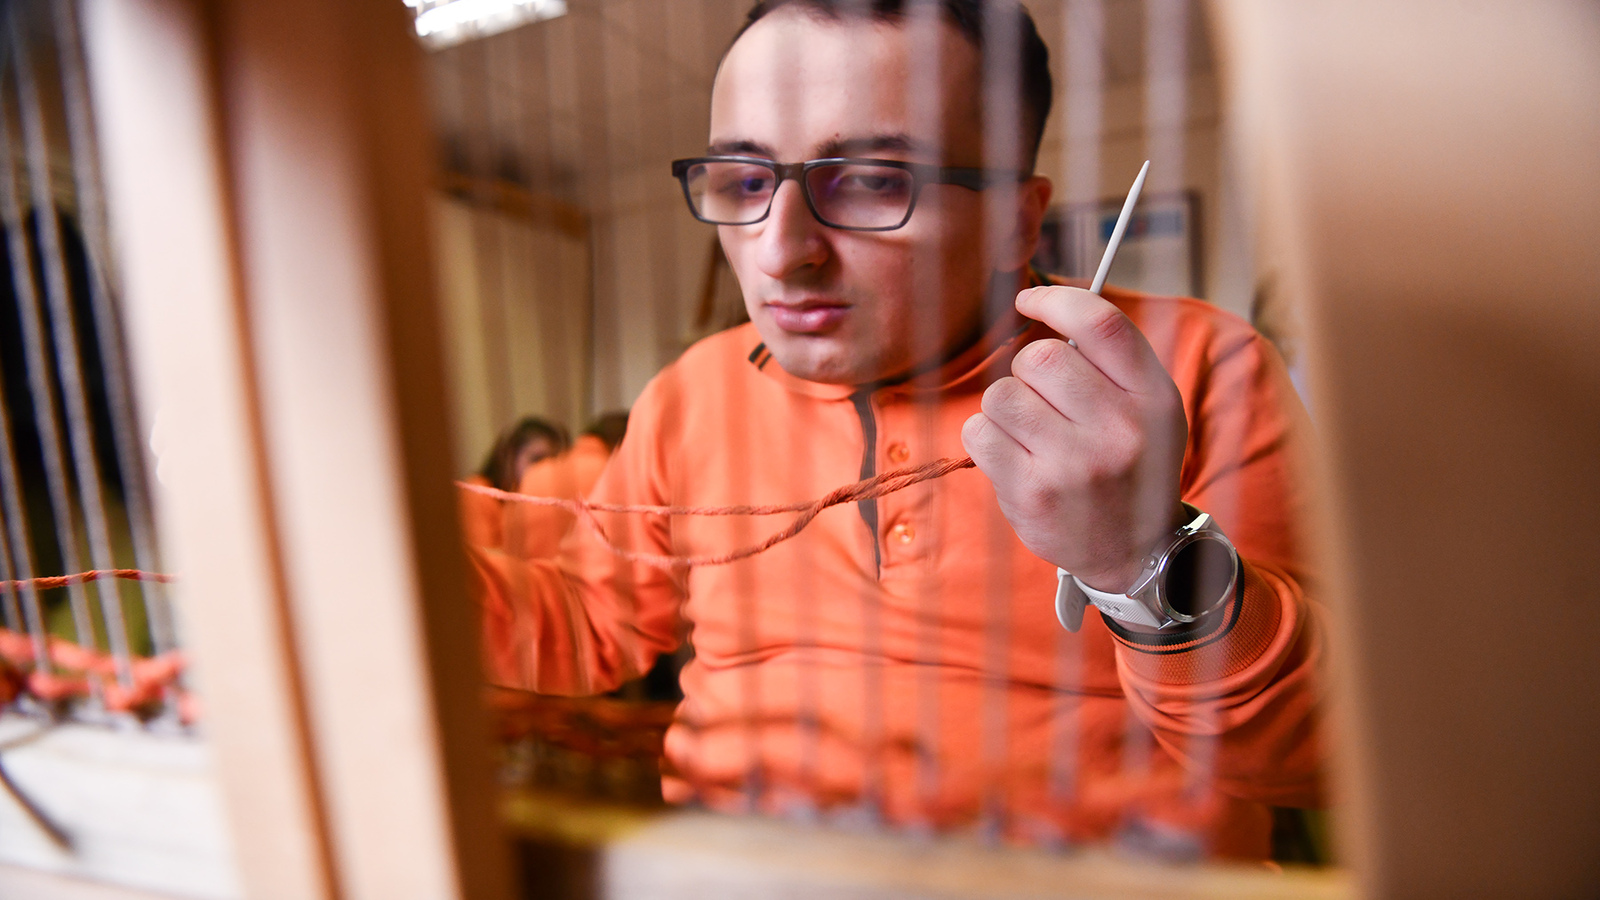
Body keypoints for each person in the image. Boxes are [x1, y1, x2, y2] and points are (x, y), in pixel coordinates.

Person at [472, 0, 1321, 858]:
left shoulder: (1198, 365)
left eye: (873, 180)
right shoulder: (691, 393)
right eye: (744, 182)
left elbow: (1315, 758)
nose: (780, 253)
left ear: (1015, 222)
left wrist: (1140, 560)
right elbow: (588, 623)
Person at [459, 416, 570, 550]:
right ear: (509, 456)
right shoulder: (477, 492)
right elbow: (482, 555)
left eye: (553, 463)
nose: (545, 470)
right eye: (537, 459)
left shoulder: (540, 500)